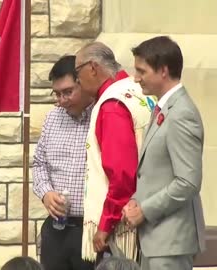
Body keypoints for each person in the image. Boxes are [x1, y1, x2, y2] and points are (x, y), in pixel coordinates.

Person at [122, 36, 206, 270]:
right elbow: (156, 173)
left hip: (171, 242)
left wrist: (145, 210)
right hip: (156, 240)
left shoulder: (181, 113)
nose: (136, 78)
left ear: (163, 71)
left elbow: (188, 181)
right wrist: (135, 202)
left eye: (141, 71)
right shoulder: (164, 107)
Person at [75, 42, 154, 261]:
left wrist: (106, 223)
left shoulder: (113, 105)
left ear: (93, 68)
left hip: (122, 230)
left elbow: (121, 175)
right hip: (147, 214)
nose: (77, 80)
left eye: (77, 71)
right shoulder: (139, 89)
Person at [32, 55, 95, 270]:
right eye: (57, 94)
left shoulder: (102, 116)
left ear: (83, 83)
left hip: (90, 230)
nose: (62, 100)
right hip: (56, 230)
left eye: (68, 92)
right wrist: (46, 193)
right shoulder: (52, 118)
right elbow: (39, 164)